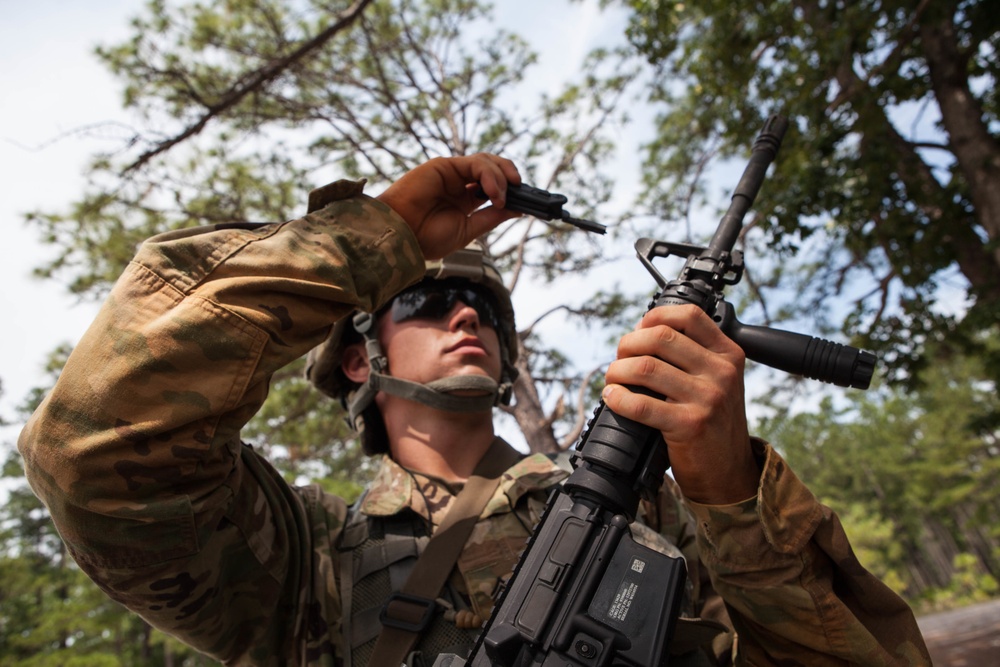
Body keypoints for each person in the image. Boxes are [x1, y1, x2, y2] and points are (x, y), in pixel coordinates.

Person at [18, 153, 930, 666]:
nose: (466, 314)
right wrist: (378, 238)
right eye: (422, 301)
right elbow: (94, 449)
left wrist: (731, 490)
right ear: (354, 357)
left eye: (487, 309)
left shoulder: (658, 514)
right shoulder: (303, 562)